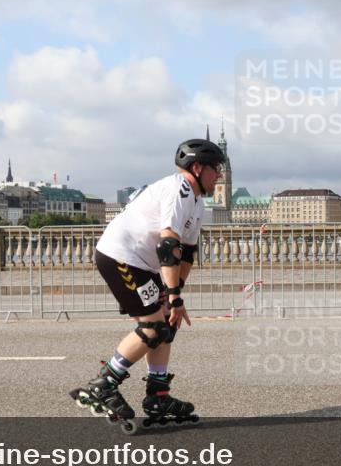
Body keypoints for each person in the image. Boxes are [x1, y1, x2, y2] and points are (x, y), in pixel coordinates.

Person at [70, 138, 226, 429]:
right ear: (196, 167)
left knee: (166, 320)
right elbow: (168, 247)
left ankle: (158, 395)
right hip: (121, 257)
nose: (219, 174)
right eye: (215, 168)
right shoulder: (179, 191)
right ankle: (103, 385)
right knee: (153, 327)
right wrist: (175, 297)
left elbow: (186, 254)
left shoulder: (198, 202)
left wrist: (172, 295)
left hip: (141, 262)